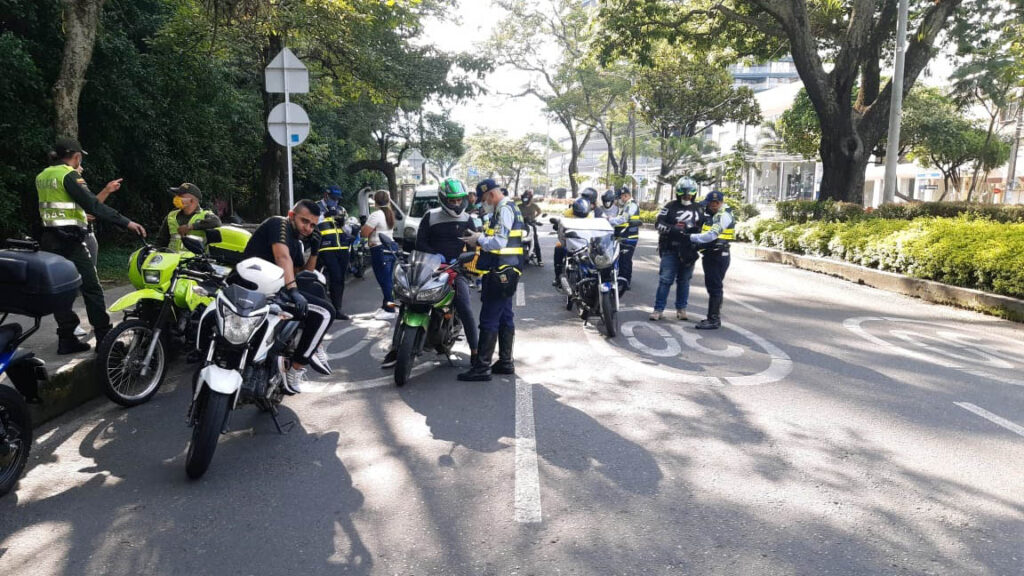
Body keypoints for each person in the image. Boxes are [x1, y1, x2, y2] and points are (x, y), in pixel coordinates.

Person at [36, 139, 147, 354]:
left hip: (48, 239)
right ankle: (105, 338)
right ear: (76, 157)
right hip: (70, 240)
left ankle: (66, 339)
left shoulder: (42, 176)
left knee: (62, 290)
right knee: (92, 288)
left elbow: (58, 206)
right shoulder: (68, 175)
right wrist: (127, 223)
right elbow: (93, 204)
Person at [381, 178, 479, 369]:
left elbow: (473, 245)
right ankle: (395, 348)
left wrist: (465, 259)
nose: (456, 204)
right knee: (407, 300)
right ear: (443, 199)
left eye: (459, 200)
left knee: (465, 306)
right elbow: (420, 242)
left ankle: (476, 353)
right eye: (452, 200)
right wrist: (436, 255)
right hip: (429, 267)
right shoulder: (430, 216)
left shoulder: (468, 219)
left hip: (455, 269)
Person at [242, 200, 334, 392]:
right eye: (304, 221)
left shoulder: (297, 242)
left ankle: (312, 346)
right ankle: (297, 367)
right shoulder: (279, 224)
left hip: (275, 290)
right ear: (292, 215)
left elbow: (303, 273)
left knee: (315, 286)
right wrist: (293, 291)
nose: (308, 228)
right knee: (326, 313)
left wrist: (315, 251)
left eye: (313, 225)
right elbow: (282, 258)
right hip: (256, 289)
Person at [458, 178, 524, 381]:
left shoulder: (503, 208)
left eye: (483, 199)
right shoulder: (509, 207)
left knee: (489, 318)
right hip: (508, 270)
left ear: (491, 194)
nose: (482, 203)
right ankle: (505, 362)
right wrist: (479, 234)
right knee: (505, 316)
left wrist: (478, 239)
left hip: (500, 271)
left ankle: (482, 368)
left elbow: (498, 242)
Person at [650, 178, 704, 321]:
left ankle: (681, 309)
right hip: (671, 249)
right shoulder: (670, 206)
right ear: (678, 193)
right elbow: (658, 223)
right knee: (665, 280)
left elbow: (705, 227)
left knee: (684, 281)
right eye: (684, 194)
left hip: (689, 250)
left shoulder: (699, 208)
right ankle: (658, 309)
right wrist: (674, 230)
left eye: (689, 194)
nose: (687, 196)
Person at [689, 190, 734, 329]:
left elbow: (712, 235)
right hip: (713, 255)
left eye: (713, 203)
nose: (710, 206)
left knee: (715, 287)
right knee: (713, 287)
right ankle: (712, 317)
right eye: (709, 203)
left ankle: (714, 319)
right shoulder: (715, 214)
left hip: (717, 255)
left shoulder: (723, 215)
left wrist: (690, 238)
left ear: (718, 203)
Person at [315, 185, 353, 321]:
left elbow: (348, 230)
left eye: (337, 199)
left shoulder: (341, 210)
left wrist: (343, 224)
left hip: (342, 248)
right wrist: (324, 216)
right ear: (326, 195)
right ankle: (325, 308)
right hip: (325, 248)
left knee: (339, 279)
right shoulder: (316, 207)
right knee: (329, 277)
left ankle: (337, 308)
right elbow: (310, 224)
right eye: (333, 198)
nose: (335, 201)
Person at [361, 190, 398, 319]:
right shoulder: (389, 213)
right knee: (387, 279)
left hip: (379, 248)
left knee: (385, 281)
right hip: (390, 247)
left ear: (375, 202)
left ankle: (390, 310)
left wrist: (366, 229)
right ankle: (386, 306)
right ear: (388, 200)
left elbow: (364, 233)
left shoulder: (376, 215)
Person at [153, 183, 222, 250]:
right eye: (177, 195)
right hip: (173, 259)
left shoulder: (205, 214)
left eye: (181, 196)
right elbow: (160, 242)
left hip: (195, 260)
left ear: (192, 200)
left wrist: (190, 227)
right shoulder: (171, 216)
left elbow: (216, 222)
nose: (176, 198)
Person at [605, 187, 640, 292]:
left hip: (629, 237)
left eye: (621, 197)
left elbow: (623, 219)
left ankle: (624, 282)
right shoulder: (626, 206)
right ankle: (623, 280)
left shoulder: (631, 205)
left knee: (625, 261)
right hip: (624, 236)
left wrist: (610, 220)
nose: (620, 199)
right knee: (623, 260)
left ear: (626, 195)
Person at [552, 196, 592, 288]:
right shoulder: (567, 214)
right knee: (558, 248)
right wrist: (557, 226)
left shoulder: (591, 217)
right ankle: (557, 276)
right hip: (569, 241)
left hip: (584, 243)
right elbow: (560, 224)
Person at [518, 189, 543, 266]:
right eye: (524, 198)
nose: (525, 200)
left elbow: (539, 211)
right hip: (521, 226)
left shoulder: (534, 206)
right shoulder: (519, 206)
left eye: (526, 198)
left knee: (535, 242)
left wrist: (534, 218)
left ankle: (540, 260)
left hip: (531, 225)